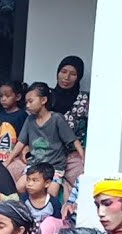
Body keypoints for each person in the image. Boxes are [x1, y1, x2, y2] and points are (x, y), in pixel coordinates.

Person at [7, 82, 81, 198]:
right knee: (20, 186)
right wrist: (8, 161)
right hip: (35, 165)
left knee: (51, 193)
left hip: (54, 167)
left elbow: (73, 140)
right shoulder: (30, 120)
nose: (27, 105)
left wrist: (84, 158)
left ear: (43, 100)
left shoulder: (57, 119)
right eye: (26, 102)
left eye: (31, 101)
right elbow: (20, 143)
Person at [51, 55, 88, 188]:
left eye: (73, 74)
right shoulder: (46, 96)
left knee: (81, 174)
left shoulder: (84, 99)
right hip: (45, 152)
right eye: (63, 72)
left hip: (72, 155)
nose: (66, 78)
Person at [0, 80, 26, 169]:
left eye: (7, 96)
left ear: (18, 97)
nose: (3, 99)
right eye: (1, 96)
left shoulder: (22, 115)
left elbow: (24, 137)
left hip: (15, 157)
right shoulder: (1, 114)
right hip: (0, 155)